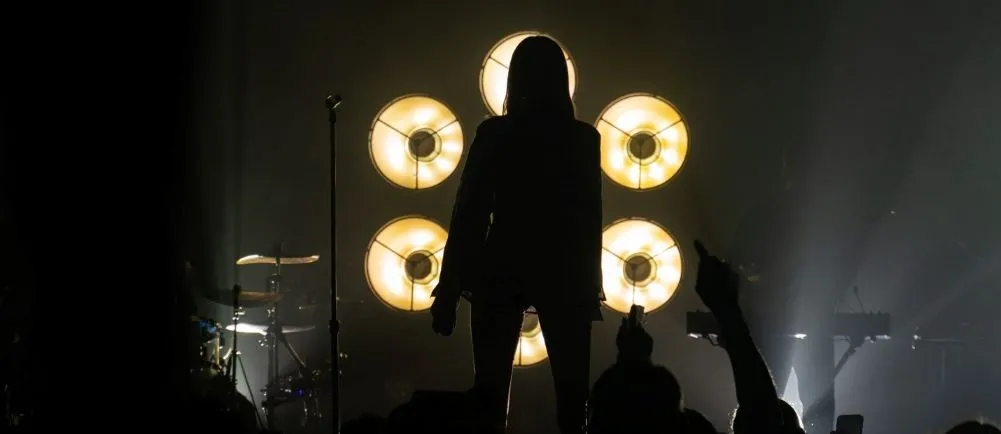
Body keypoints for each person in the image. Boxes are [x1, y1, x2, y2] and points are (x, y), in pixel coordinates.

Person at [428, 35, 604, 434]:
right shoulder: (582, 139)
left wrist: (450, 288)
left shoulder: (495, 135)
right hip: (564, 271)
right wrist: (588, 289)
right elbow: (587, 223)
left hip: (501, 263)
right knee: (573, 404)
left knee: (488, 396)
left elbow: (469, 214)